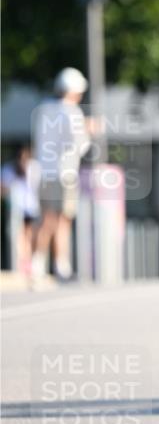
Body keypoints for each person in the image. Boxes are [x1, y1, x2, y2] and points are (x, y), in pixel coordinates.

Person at [32, 67, 95, 281]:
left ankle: (39, 263)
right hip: (65, 172)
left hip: (44, 171)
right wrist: (89, 130)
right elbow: (80, 145)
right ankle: (61, 265)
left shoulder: (43, 110)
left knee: (47, 218)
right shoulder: (72, 112)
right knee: (62, 220)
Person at [1, 146, 41, 277]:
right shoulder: (9, 170)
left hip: (31, 209)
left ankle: (28, 262)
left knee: (29, 236)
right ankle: (21, 263)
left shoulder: (34, 168)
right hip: (16, 210)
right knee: (18, 235)